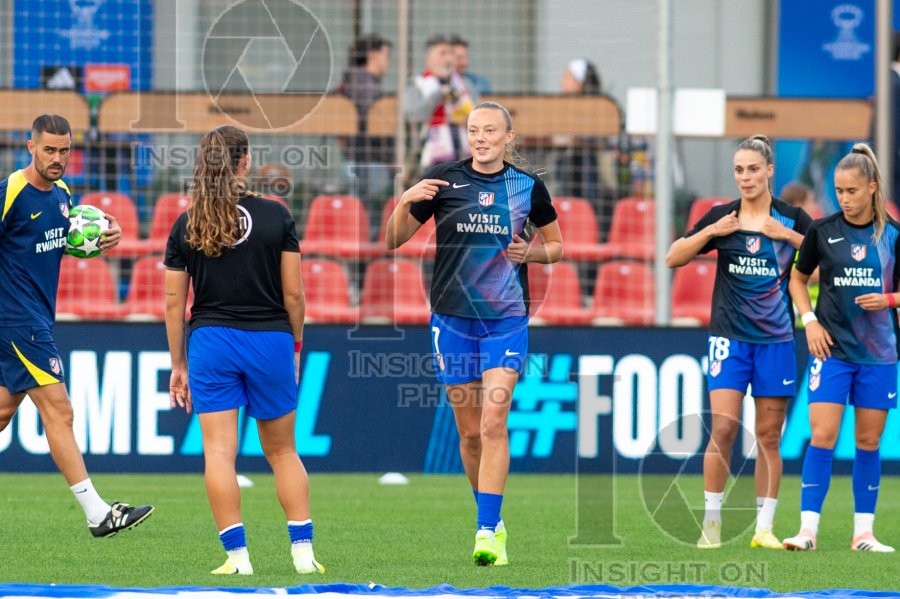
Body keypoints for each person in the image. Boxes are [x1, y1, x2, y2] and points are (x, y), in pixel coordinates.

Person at [385, 101, 562, 566]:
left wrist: (532, 255)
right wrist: (404, 200)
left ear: (508, 137)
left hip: (505, 318)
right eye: (474, 130)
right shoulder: (443, 180)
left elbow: (557, 246)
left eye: (490, 131)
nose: (480, 138)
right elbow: (392, 240)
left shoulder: (527, 187)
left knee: (493, 423)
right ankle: (493, 520)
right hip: (452, 319)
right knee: (468, 434)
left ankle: (485, 530)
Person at [164, 125, 324, 575]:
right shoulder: (275, 216)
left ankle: (237, 559)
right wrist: (295, 346)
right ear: (245, 162)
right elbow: (294, 295)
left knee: (219, 453)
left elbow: (175, 303)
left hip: (211, 342)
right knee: (283, 452)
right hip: (270, 340)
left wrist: (178, 363)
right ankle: (303, 555)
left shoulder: (187, 223)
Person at [0, 114, 154, 537]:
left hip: (35, 317)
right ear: (30, 147)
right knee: (60, 410)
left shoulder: (64, 194)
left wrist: (104, 235)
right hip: (18, 320)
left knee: (3, 412)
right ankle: (98, 514)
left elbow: (56, 241)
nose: (57, 158)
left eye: (64, 150)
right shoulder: (10, 193)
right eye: (49, 149)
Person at [666, 134, 812, 550]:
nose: (745, 177)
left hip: (776, 341)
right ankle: (711, 524)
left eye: (753, 169)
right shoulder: (722, 217)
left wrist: (790, 238)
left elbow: (824, 267)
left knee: (768, 435)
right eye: (739, 170)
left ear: (769, 171)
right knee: (724, 427)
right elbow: (674, 257)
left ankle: (763, 528)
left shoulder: (792, 218)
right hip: (728, 339)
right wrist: (712, 231)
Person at [783, 144, 899, 553]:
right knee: (822, 435)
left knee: (868, 442)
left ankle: (863, 534)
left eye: (852, 191)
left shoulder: (893, 236)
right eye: (839, 191)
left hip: (879, 354)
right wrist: (810, 321)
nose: (844, 199)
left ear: (872, 187)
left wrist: (888, 300)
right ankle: (807, 531)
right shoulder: (821, 231)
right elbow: (797, 279)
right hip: (830, 350)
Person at [337, 33, 395, 224]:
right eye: (386, 55)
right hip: (369, 162)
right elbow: (378, 125)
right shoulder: (367, 87)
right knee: (369, 219)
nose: (388, 61)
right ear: (373, 55)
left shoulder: (348, 83)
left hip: (354, 160)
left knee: (359, 215)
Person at [403, 34, 478, 178]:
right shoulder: (417, 84)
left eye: (450, 54)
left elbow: (480, 116)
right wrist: (438, 95)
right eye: (442, 54)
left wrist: (464, 117)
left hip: (465, 157)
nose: (448, 59)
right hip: (428, 160)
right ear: (428, 58)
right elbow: (413, 116)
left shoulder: (464, 84)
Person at [555, 59, 613, 238]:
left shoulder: (597, 106)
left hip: (591, 171)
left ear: (579, 82)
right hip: (568, 167)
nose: (563, 81)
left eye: (567, 77)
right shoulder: (560, 107)